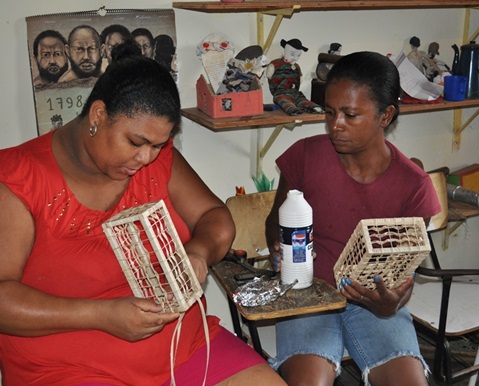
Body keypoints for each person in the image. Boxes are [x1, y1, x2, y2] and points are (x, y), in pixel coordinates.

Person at [0, 42, 286, 386]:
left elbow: (214, 215)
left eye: (159, 145)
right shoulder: (19, 179)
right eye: (135, 142)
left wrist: (198, 252)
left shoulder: (156, 161)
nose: (147, 158)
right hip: (67, 367)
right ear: (98, 115)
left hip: (184, 347)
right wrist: (101, 315)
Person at [265, 51, 441, 386]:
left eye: (350, 114)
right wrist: (278, 247)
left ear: (385, 115)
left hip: (372, 303)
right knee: (310, 382)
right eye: (329, 112)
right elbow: (275, 220)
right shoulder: (306, 156)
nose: (335, 125)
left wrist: (391, 304)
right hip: (308, 293)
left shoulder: (413, 185)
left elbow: (403, 273)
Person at [266, 38, 324, 116]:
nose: (295, 58)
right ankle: (292, 109)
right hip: (280, 93)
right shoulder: (275, 64)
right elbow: (269, 76)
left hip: (295, 93)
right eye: (292, 54)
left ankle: (314, 108)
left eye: (298, 55)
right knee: (283, 101)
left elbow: (300, 80)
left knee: (302, 100)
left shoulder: (297, 67)